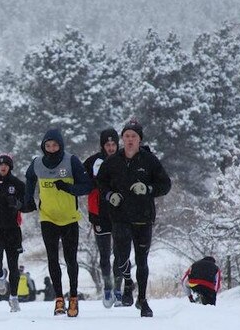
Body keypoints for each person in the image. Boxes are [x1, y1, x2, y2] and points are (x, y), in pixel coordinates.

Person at [97, 120, 172, 317]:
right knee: (121, 257)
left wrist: (148, 189)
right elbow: (101, 183)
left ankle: (143, 300)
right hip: (120, 216)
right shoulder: (112, 162)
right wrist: (109, 196)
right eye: (127, 136)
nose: (130, 140)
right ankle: (128, 283)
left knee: (142, 260)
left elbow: (165, 185)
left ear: (140, 139)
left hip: (143, 217)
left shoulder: (149, 160)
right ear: (123, 139)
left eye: (134, 137)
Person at [22, 129, 92, 317]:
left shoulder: (71, 161)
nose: (51, 149)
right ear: (43, 146)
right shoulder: (37, 163)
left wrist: (69, 188)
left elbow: (87, 186)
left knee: (71, 260)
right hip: (48, 218)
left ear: (61, 145)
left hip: (69, 218)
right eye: (48, 145)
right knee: (52, 259)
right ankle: (59, 299)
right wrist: (28, 198)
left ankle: (74, 298)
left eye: (55, 145)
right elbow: (29, 178)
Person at [83, 128, 134, 308]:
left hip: (120, 213)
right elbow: (82, 183)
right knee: (104, 255)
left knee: (120, 254)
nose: (111, 148)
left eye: (113, 144)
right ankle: (107, 287)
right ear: (102, 145)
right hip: (99, 214)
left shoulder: (125, 159)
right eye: (107, 144)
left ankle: (118, 289)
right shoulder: (92, 162)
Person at [0, 153, 26, 312]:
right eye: (1, 165)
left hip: (13, 230)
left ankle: (14, 298)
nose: (3, 167)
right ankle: (0, 275)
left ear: (10, 167)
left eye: (6, 165)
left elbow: (27, 206)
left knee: (14, 266)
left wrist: (17, 204)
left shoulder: (18, 184)